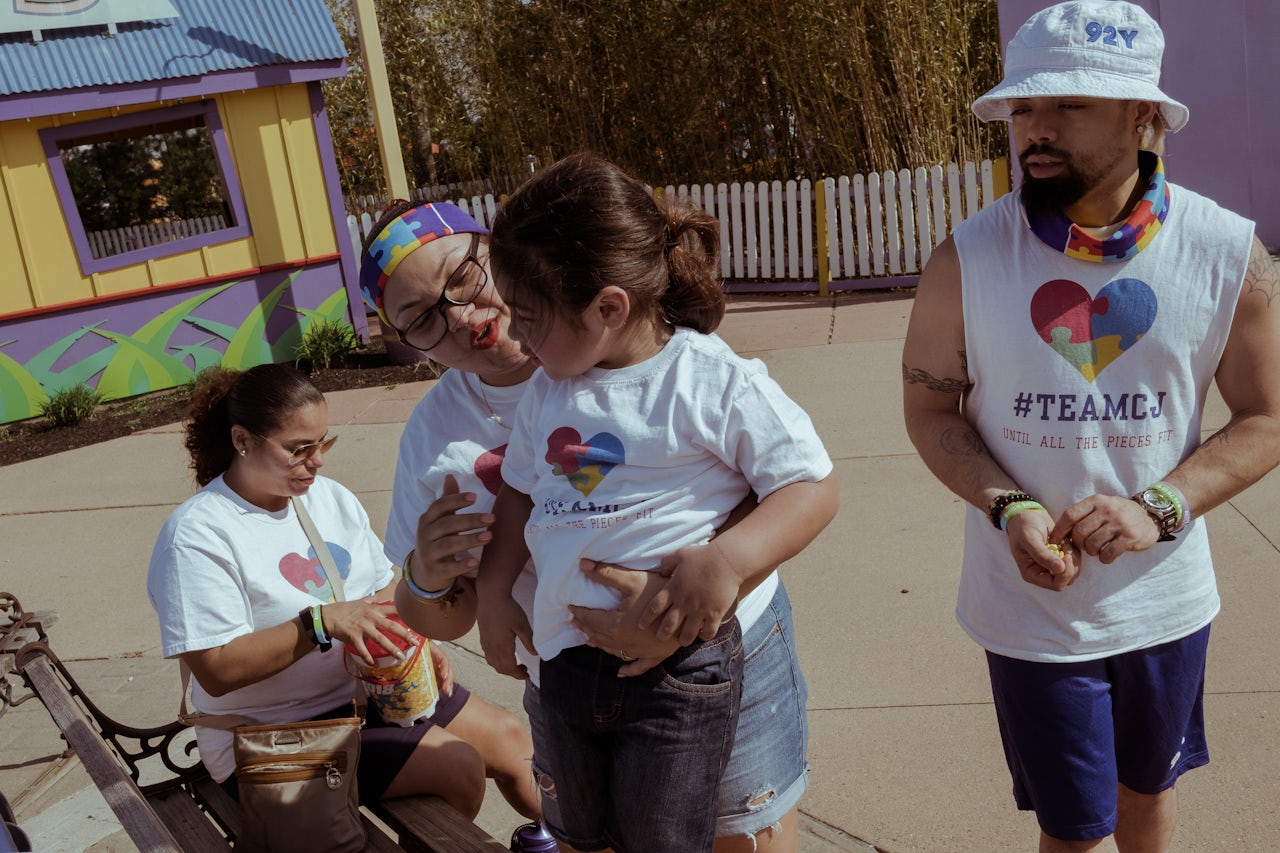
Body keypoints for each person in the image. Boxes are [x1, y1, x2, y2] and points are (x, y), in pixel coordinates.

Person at [901, 2, 1280, 850]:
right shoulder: (966, 258)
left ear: (1142, 115)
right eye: (1024, 107)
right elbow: (930, 409)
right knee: (1075, 830)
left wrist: (1163, 505)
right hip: (1032, 612)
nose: (1034, 129)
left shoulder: (1226, 252)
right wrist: (1008, 506)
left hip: (1166, 603)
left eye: (1068, 106)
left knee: (1150, 796)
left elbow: (1267, 417)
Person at [362, 194, 827, 850]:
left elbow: (788, 484)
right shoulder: (435, 434)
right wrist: (429, 576)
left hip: (717, 653)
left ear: (499, 252)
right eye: (422, 319)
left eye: (464, 276)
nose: (463, 316)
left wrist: (689, 603)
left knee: (742, 839)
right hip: (567, 682)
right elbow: (442, 615)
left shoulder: (653, 354)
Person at [145, 363, 539, 822]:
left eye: (323, 443)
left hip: (366, 697)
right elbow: (216, 670)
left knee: (513, 741)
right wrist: (321, 621)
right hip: (268, 737)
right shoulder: (197, 534)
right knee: (457, 765)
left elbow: (379, 592)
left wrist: (414, 645)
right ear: (242, 441)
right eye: (299, 449)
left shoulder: (327, 498)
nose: (317, 461)